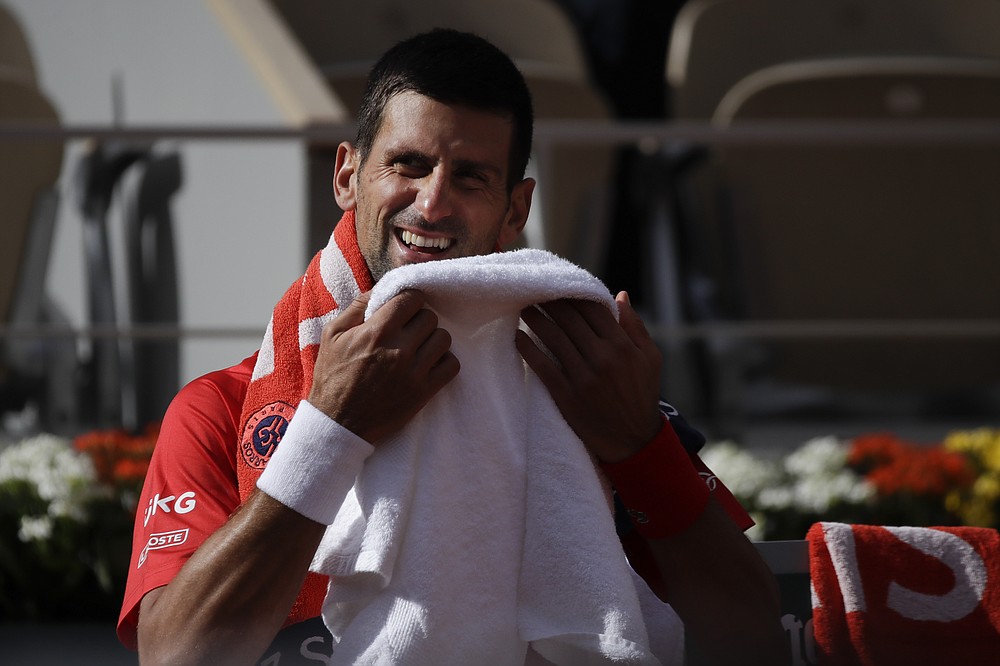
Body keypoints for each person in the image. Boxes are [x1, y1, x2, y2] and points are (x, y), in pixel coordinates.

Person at [118, 28, 786, 665]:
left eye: (470, 177)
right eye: (407, 165)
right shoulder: (217, 410)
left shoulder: (581, 382)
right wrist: (328, 434)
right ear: (347, 175)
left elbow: (756, 643)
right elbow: (174, 656)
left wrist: (639, 447)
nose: (433, 203)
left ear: (515, 211)